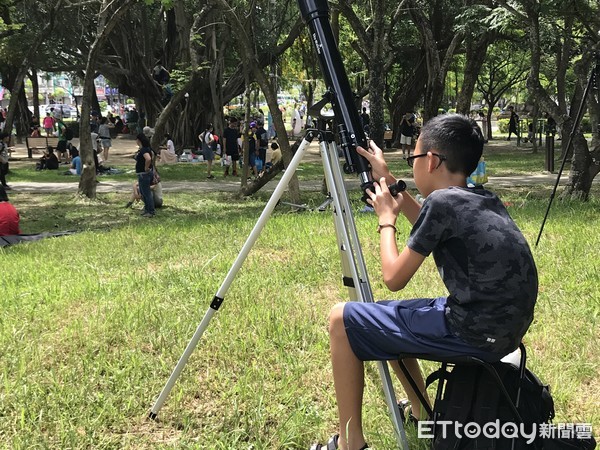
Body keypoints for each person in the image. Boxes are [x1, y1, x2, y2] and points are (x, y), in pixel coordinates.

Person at [311, 114, 538, 450]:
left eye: (413, 159)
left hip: (475, 332)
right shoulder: (477, 197)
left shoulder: (442, 203)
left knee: (341, 320)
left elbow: (393, 277)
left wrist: (386, 221)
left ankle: (350, 443)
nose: (412, 166)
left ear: (431, 161)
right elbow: (427, 226)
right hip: (504, 329)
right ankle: (423, 415)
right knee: (387, 316)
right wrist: (387, 178)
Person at [134, 133, 155, 217]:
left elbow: (148, 159)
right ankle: (147, 209)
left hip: (144, 174)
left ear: (139, 140)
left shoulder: (144, 150)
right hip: (142, 173)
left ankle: (151, 211)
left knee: (147, 193)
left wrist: (146, 167)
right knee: (143, 192)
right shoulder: (147, 149)